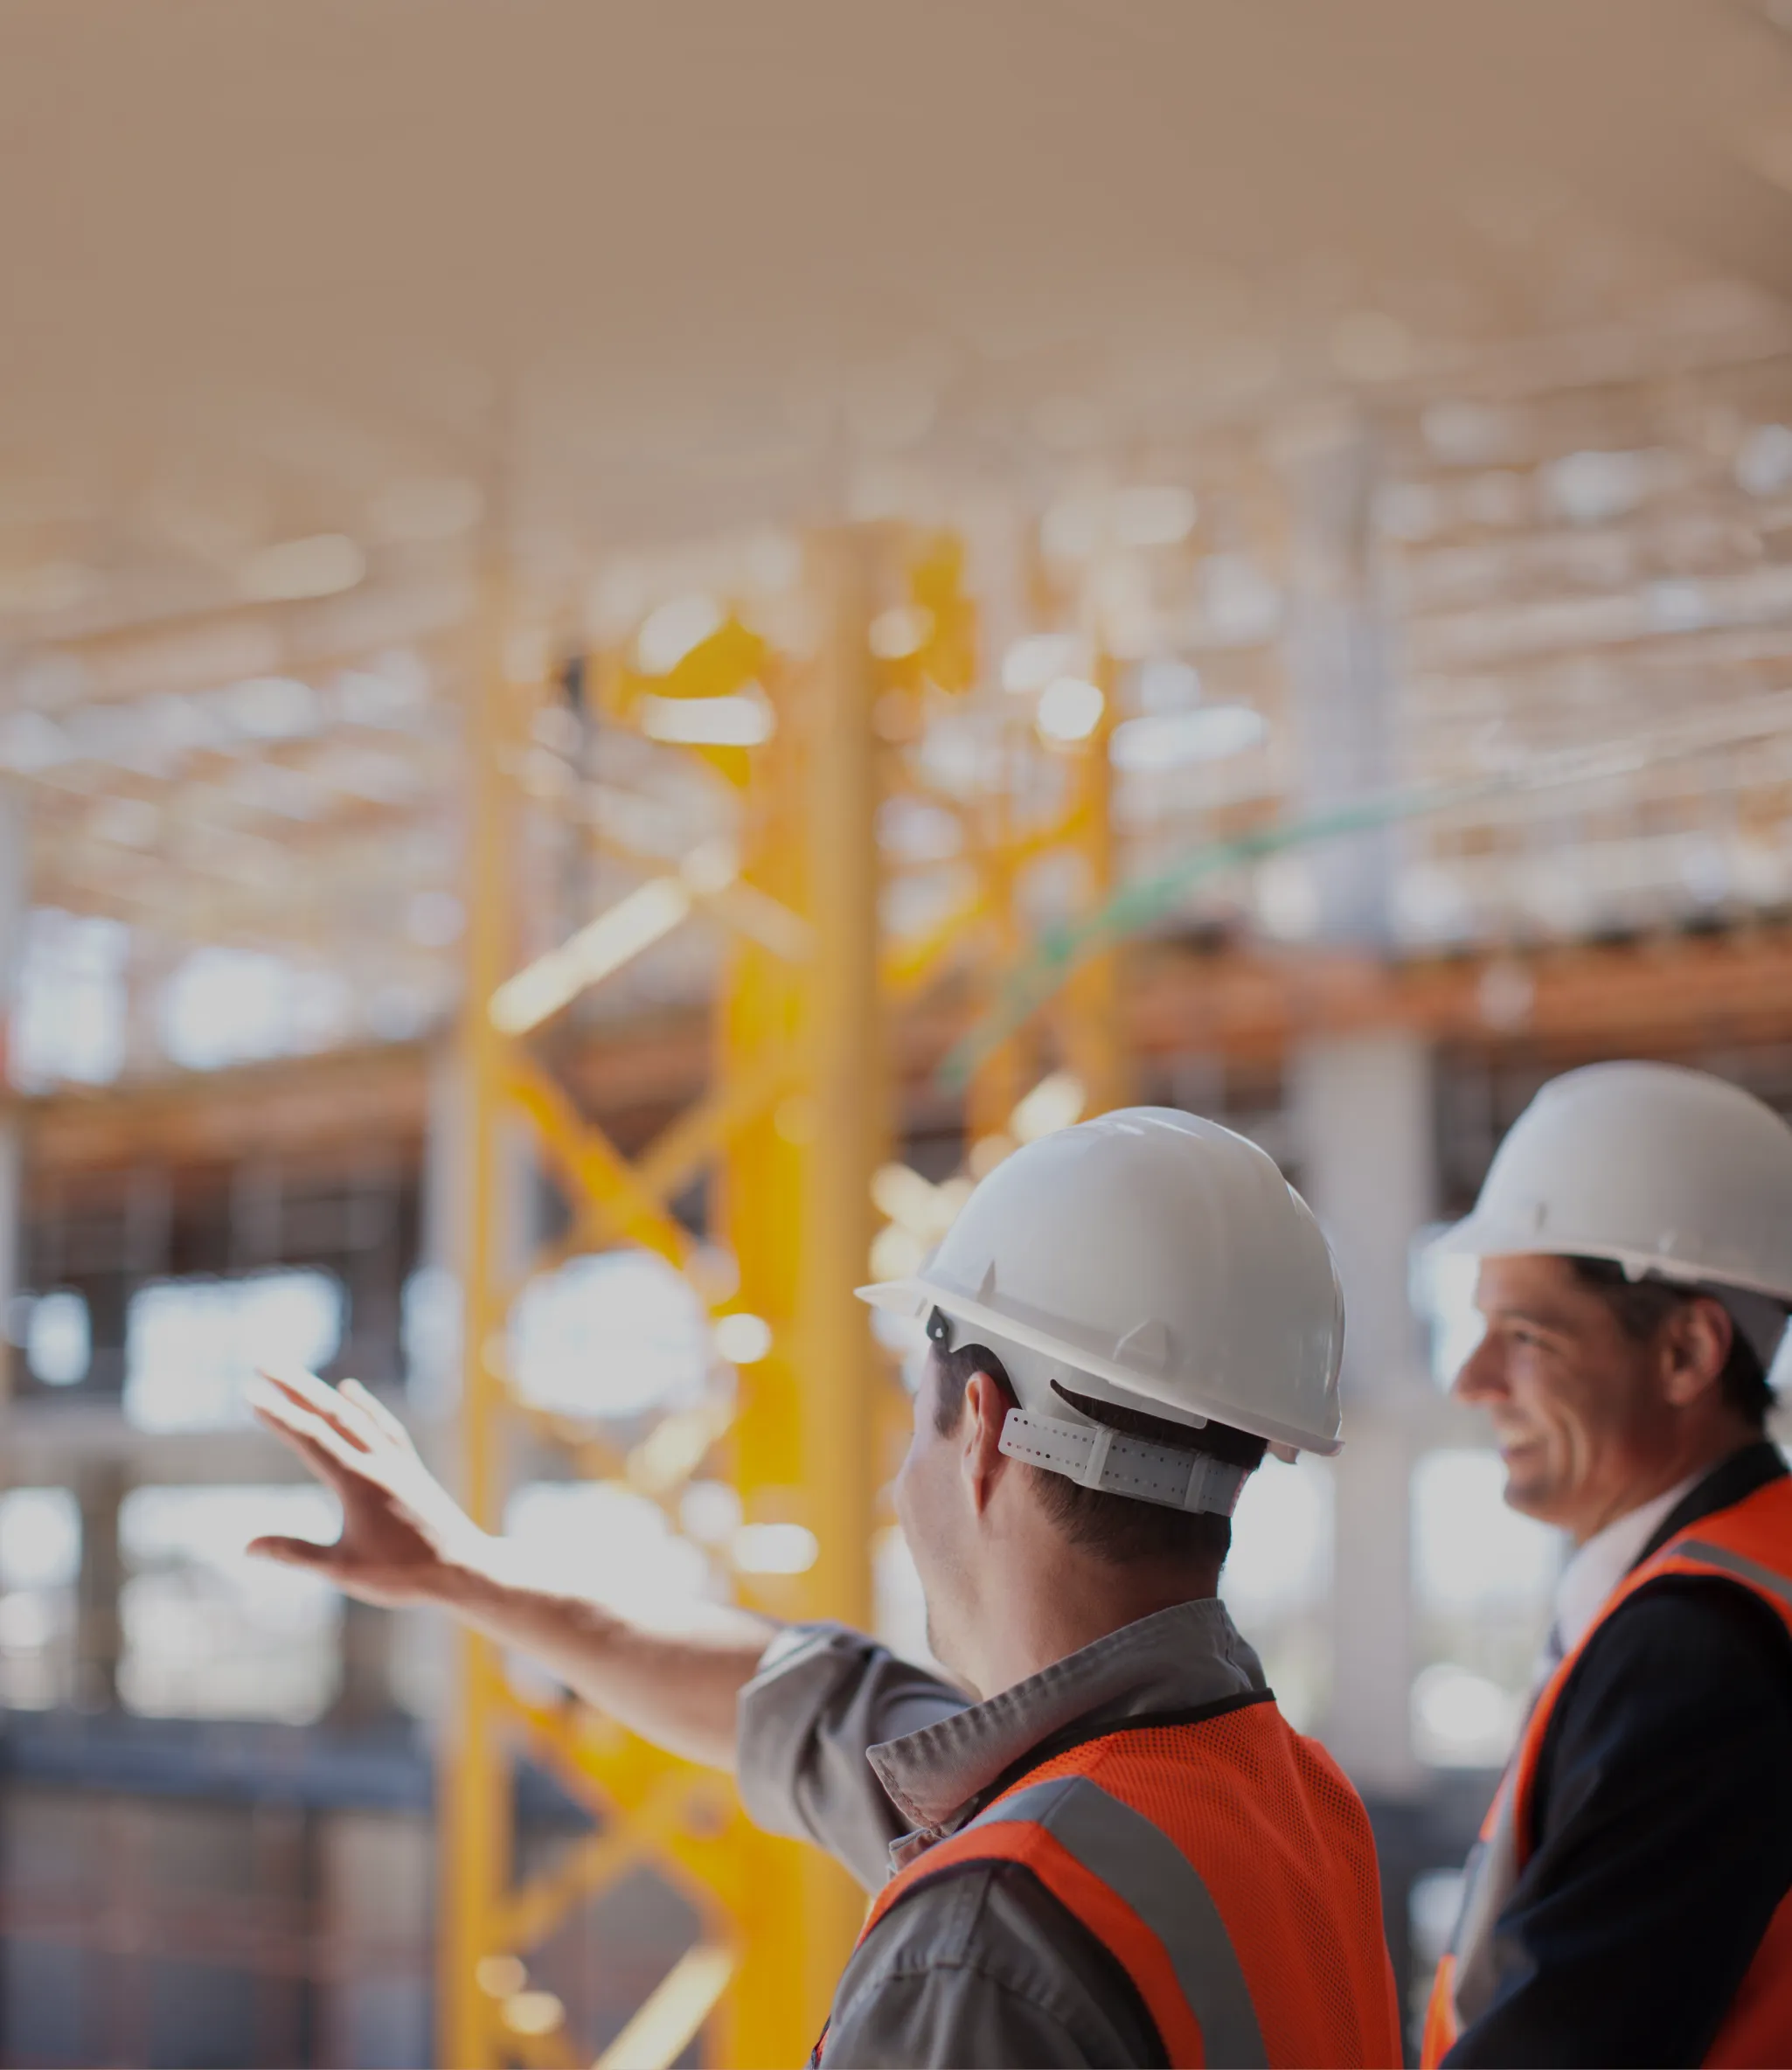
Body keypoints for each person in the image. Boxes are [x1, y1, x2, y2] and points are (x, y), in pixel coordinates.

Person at [249, 1107, 1402, 2067]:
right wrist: (469, 1574)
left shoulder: (987, 1934)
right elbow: (808, 1704)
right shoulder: (1279, 1798)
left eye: (915, 1420)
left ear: (981, 1431)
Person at [1420, 1061, 1792, 2068]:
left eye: (1524, 1333)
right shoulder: (1741, 1583)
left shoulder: (1695, 1649)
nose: (1469, 1380)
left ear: (1684, 1352)